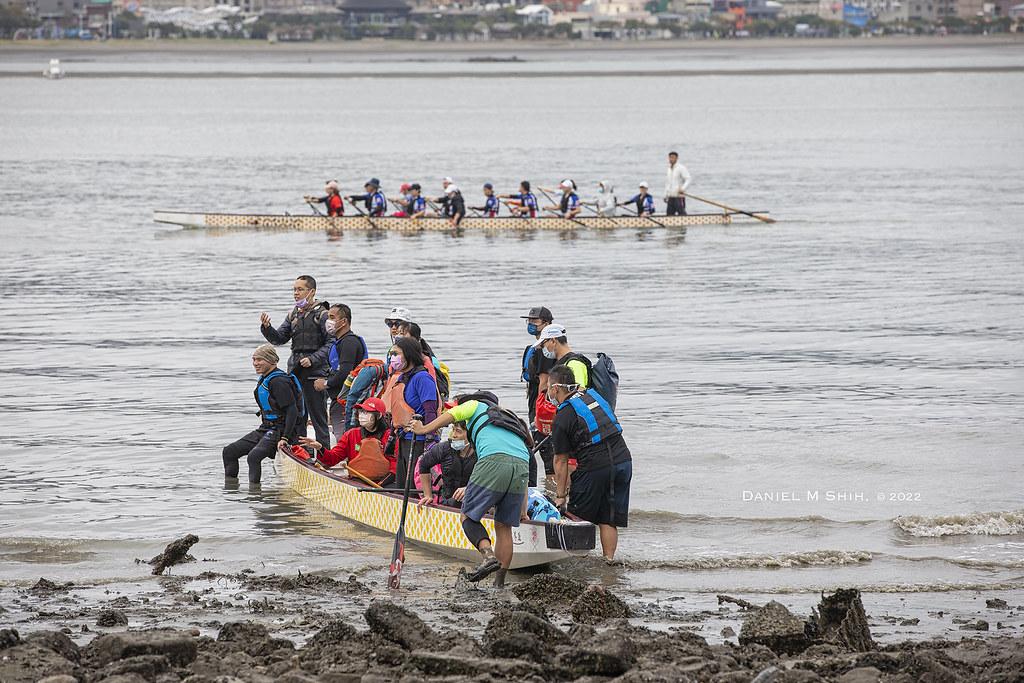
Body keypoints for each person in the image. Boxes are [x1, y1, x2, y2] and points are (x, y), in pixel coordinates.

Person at [408, 392, 532, 587]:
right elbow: (524, 458)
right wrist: (522, 511)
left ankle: (488, 555)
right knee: (504, 526)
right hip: (522, 464)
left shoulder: (475, 405)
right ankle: (499, 584)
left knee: (467, 516)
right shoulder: (508, 417)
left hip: (494, 460)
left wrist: (423, 429)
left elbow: (449, 416)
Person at [547, 364, 631, 562]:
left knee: (575, 517)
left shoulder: (562, 417)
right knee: (607, 518)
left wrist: (560, 497)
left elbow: (560, 460)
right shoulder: (593, 397)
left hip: (595, 467)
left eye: (549, 389)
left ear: (556, 388)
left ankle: (576, 562)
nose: (548, 393)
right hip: (623, 461)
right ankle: (608, 561)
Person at [260, 276, 332, 448]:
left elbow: (331, 344)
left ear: (311, 292)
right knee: (298, 416)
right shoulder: (293, 314)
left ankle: (324, 455)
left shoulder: (323, 315)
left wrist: (313, 359)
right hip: (295, 372)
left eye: (300, 289)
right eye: (294, 289)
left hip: (315, 373)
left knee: (318, 416)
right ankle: (301, 453)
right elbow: (279, 339)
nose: (296, 293)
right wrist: (267, 328)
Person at [223, 344, 302, 484]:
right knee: (229, 452)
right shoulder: (266, 378)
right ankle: (230, 491)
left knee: (254, 457)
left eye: (260, 360)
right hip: (266, 428)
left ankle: (255, 496)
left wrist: (285, 438)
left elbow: (292, 411)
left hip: (280, 430)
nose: (255, 363)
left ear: (271, 360)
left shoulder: (279, 381)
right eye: (254, 359)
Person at [381, 336, 439, 489]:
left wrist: (429, 438)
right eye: (392, 354)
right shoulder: (402, 377)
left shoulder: (423, 378)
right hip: (404, 438)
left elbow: (430, 410)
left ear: (409, 354)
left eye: (397, 354)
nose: (393, 358)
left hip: (418, 441)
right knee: (402, 483)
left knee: (414, 484)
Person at [298, 397, 393, 482]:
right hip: (357, 481)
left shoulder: (391, 437)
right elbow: (332, 459)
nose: (362, 415)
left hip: (383, 484)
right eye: (361, 411)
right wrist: (320, 448)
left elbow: (394, 467)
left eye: (367, 412)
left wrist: (382, 484)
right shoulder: (351, 434)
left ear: (379, 415)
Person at [318, 303, 368, 443]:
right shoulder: (339, 342)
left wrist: (326, 384)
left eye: (332, 317)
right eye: (328, 317)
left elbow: (345, 372)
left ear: (344, 321)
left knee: (345, 438)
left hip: (346, 401)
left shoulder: (349, 342)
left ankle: (350, 461)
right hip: (339, 399)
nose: (329, 321)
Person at [520, 306, 555, 487]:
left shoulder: (546, 349)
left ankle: (553, 487)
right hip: (534, 400)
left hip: (542, 404)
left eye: (535, 321)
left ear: (547, 324)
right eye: (529, 321)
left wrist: (540, 410)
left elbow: (545, 381)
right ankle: (552, 486)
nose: (531, 324)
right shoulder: (535, 348)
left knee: (546, 448)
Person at [416, 421, 478, 508]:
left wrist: (470, 488)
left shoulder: (481, 453)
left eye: (458, 431)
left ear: (471, 434)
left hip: (475, 505)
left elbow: (490, 479)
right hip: (447, 504)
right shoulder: (444, 448)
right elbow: (423, 464)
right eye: (453, 430)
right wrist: (427, 495)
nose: (453, 435)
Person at [398, 321, 449, 400]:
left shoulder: (428, 363)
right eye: (399, 334)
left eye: (403, 334)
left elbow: (432, 389)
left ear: (415, 339)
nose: (398, 337)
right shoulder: (397, 357)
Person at [533, 323, 589, 388]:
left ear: (553, 341)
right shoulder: (561, 362)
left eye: (543, 345)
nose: (543, 349)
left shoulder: (575, 364)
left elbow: (579, 393)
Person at [664, 150, 692, 217]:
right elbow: (667, 183)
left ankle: (684, 225)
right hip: (671, 196)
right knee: (669, 215)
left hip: (679, 196)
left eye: (673, 157)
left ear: (676, 158)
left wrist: (682, 189)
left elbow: (688, 179)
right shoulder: (669, 169)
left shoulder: (681, 168)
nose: (671, 159)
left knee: (682, 214)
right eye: (670, 157)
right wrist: (665, 195)